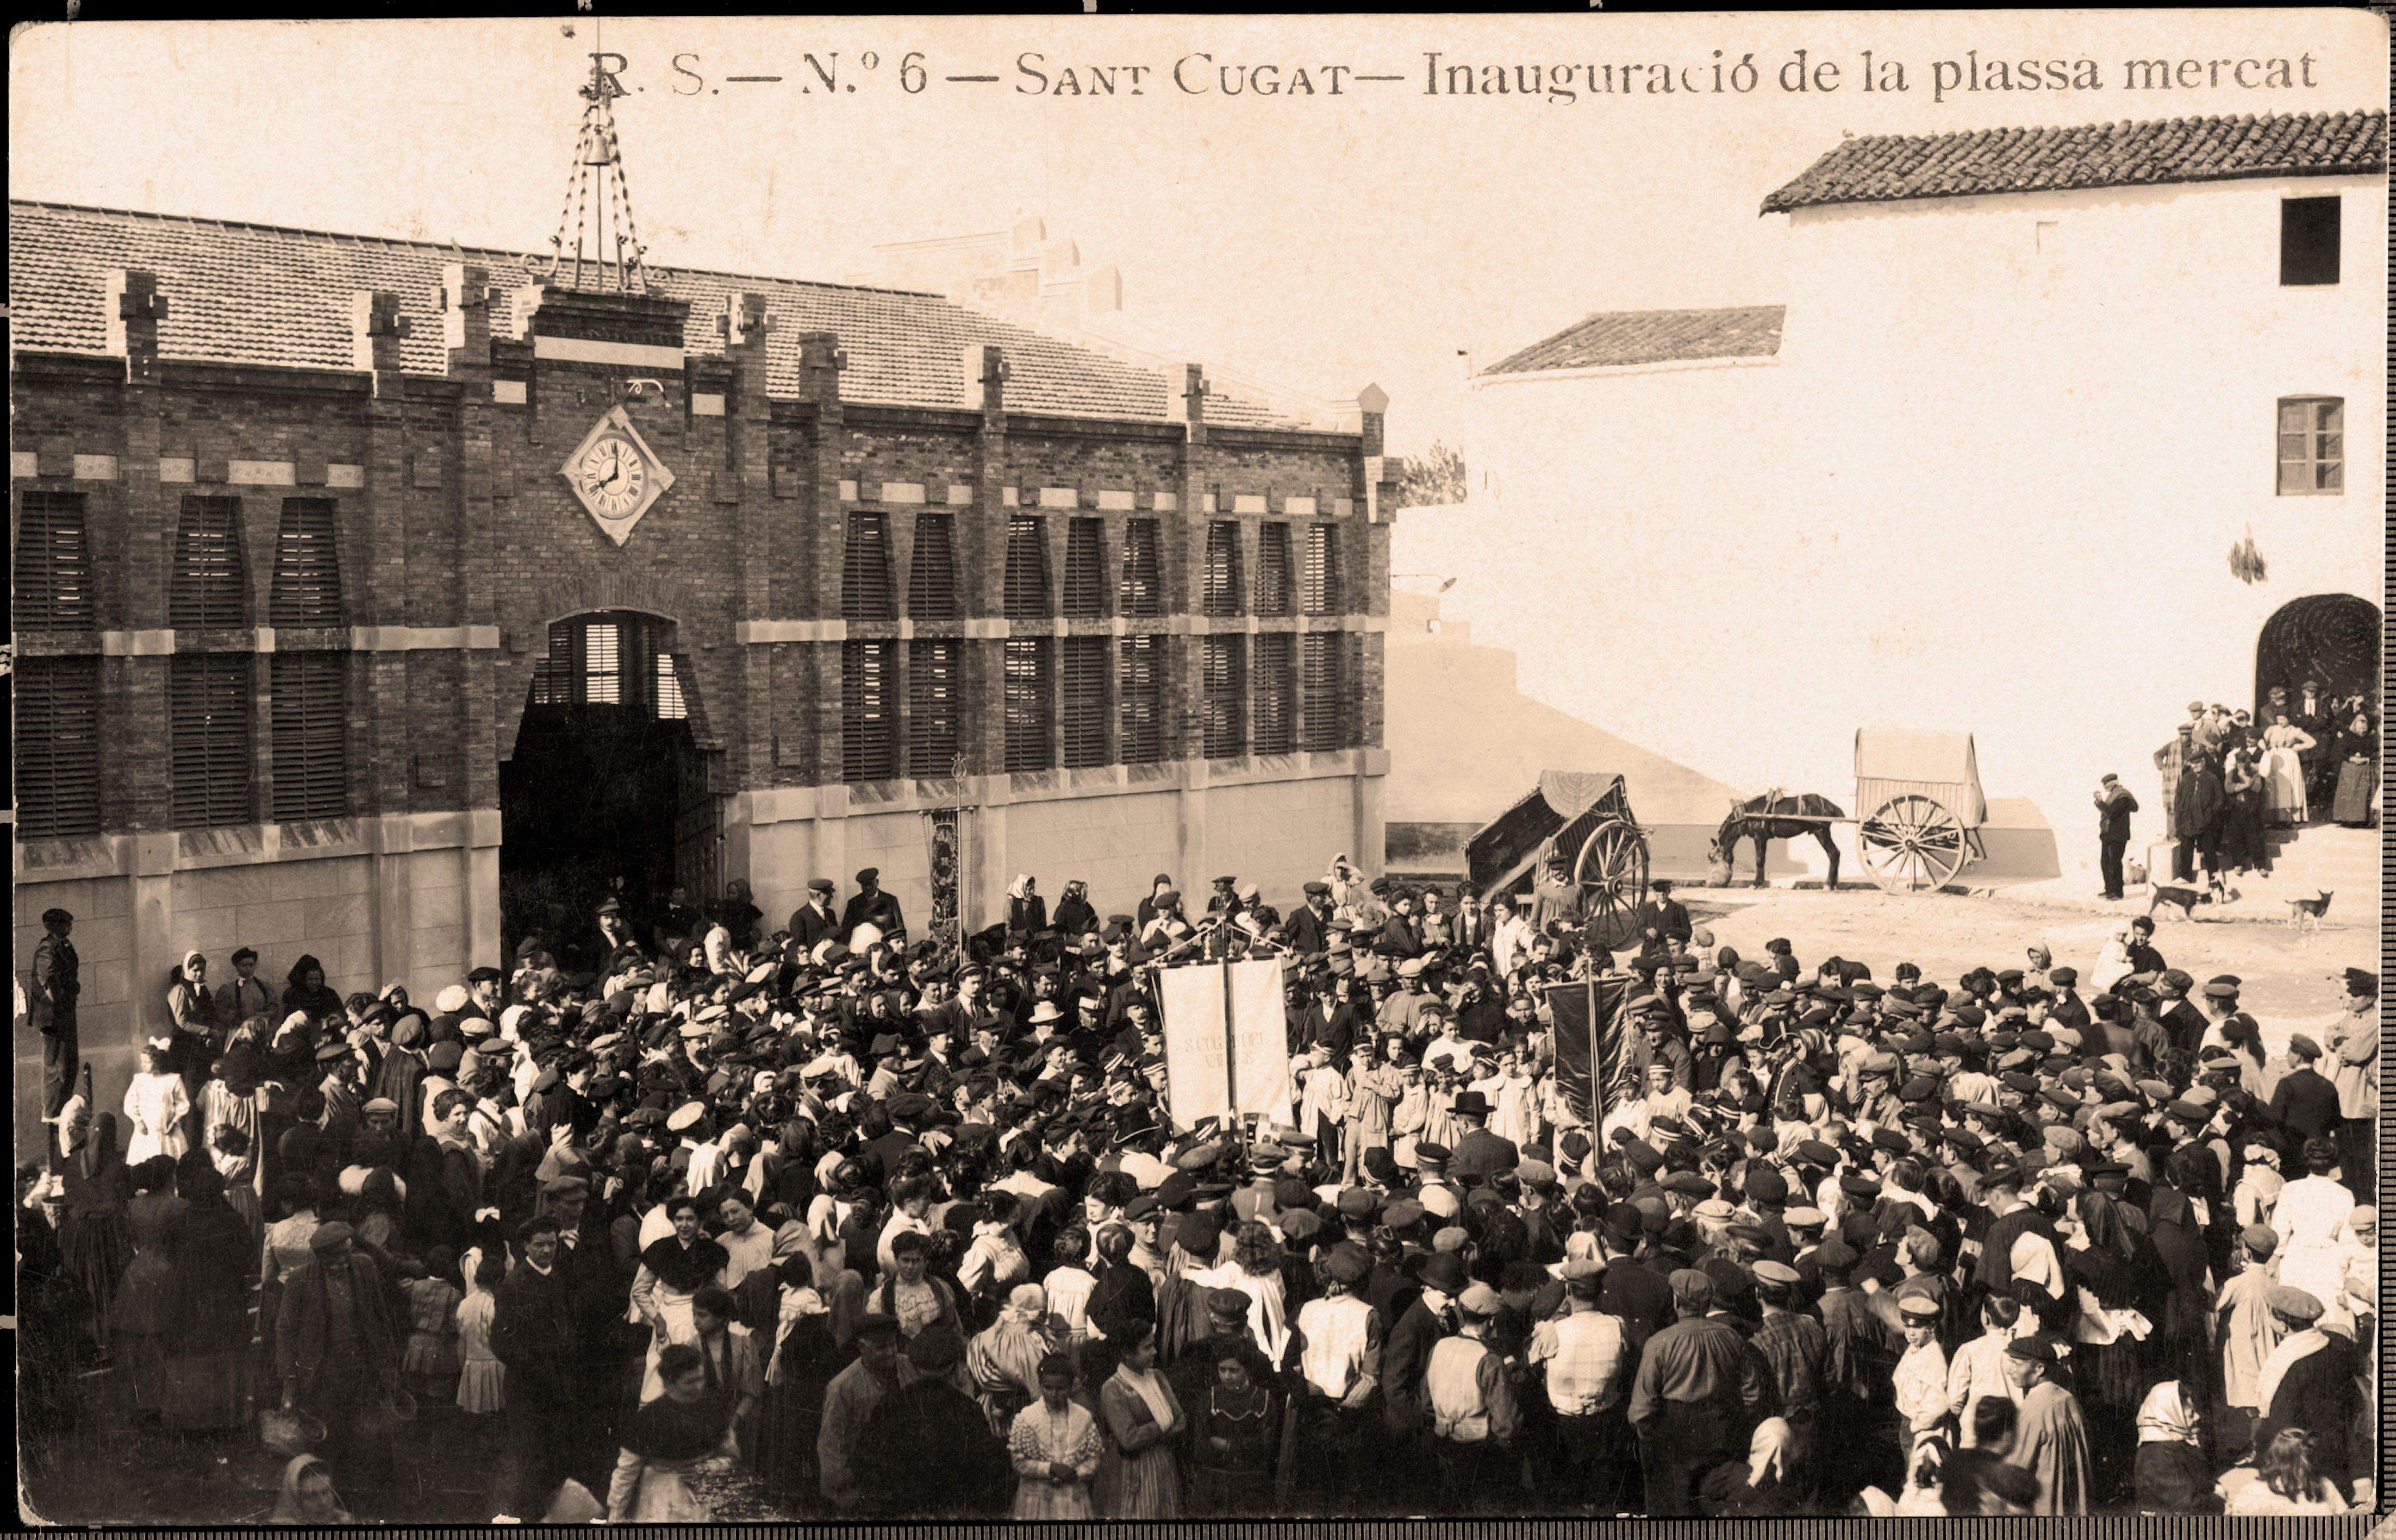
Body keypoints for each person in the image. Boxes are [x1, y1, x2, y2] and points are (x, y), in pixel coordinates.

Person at [274, 1221, 398, 1503]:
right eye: (335, 1261)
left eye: (346, 1257)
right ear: (320, 1258)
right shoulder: (301, 1280)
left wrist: (388, 1364)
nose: (343, 1265)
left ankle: (375, 1502)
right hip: (323, 1375)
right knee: (330, 1442)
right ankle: (334, 1502)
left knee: (370, 1437)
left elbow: (381, 1316)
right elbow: (284, 1331)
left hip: (364, 1370)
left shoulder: (365, 1268)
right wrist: (289, 1383)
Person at [606, 1342, 733, 1521]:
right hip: (661, 1499)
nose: (699, 1386)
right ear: (669, 1383)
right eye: (690, 1382)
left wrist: (708, 1468)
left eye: (700, 1379)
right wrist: (615, 1514)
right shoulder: (648, 1419)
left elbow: (731, 1456)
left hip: (705, 1494)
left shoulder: (713, 1409)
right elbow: (627, 1471)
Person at [1096, 1317, 1185, 1517]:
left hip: (1164, 1462)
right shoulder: (1113, 1389)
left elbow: (1180, 1420)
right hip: (1134, 1470)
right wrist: (1163, 1424)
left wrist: (1155, 1430)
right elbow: (1129, 1439)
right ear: (1127, 1354)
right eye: (1147, 1348)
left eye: (1153, 1345)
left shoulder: (1157, 1377)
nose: (1154, 1352)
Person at [2001, 1335, 2091, 1515]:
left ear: (2039, 1369)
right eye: (2010, 1363)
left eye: (2017, 1364)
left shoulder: (2033, 1408)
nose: (2010, 1370)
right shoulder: (2068, 1400)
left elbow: (2017, 1470)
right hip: (2072, 1507)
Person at [1010, 1351, 1106, 1518]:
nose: (1054, 1395)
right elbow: (1019, 1462)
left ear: (1071, 1387)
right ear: (1040, 1385)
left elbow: (1094, 1457)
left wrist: (1076, 1473)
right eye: (1048, 1388)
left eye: (1061, 1389)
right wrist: (1049, 1468)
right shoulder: (1027, 1418)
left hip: (1072, 1500)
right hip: (1036, 1501)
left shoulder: (1083, 1418)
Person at [2130, 1380, 2217, 1514]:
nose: (2198, 1417)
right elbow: (2185, 1505)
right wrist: (2218, 1501)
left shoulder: (2176, 1445)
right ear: (2170, 1417)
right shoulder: (2157, 1456)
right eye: (2191, 1415)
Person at [2226, 1428, 2351, 1514]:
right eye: (2303, 1461)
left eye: (2312, 1458)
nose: (2310, 1465)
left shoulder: (2324, 1486)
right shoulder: (2255, 1493)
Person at [32, 908, 82, 1122]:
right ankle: (53, 1112)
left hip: (65, 1011)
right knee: (56, 1064)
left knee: (70, 1061)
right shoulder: (47, 947)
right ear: (56, 926)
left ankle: (62, 1108)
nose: (70, 925)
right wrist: (60, 1001)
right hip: (54, 1015)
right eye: (66, 923)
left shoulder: (65, 945)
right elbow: (48, 981)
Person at [123, 1037, 193, 1166]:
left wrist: (175, 1121)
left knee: (170, 1165)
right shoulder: (140, 1081)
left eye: (147, 1062)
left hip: (168, 1132)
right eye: (141, 1061)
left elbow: (183, 1103)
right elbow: (130, 1103)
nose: (142, 1065)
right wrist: (138, 1121)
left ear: (158, 1062)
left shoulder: (173, 1080)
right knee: (147, 1166)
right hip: (146, 1133)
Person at [269, 1454, 352, 1524]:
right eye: (312, 1496)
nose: (323, 1502)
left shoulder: (345, 1521)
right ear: (295, 1499)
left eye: (326, 1492)